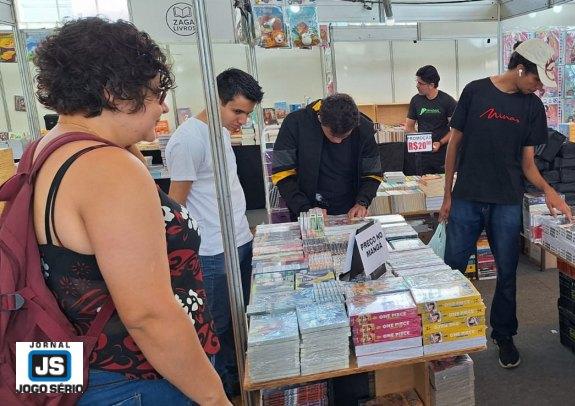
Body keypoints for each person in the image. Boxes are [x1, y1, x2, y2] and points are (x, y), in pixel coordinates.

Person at [30, 18, 227, 404]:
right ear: (115, 92)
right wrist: (215, 398)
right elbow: (148, 315)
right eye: (155, 93)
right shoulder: (107, 168)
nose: (163, 106)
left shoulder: (50, 147)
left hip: (80, 366)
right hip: (137, 378)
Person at [439, 39, 572, 369]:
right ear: (521, 69)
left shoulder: (532, 108)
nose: (539, 87)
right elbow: (454, 145)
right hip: (467, 197)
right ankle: (448, 334)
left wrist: (549, 191)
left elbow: (528, 163)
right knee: (452, 270)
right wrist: (447, 195)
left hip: (507, 201)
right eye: (537, 79)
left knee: (508, 272)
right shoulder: (475, 92)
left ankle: (504, 335)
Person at [165, 68, 263, 398]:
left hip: (239, 240)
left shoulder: (220, 131)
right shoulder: (188, 140)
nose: (242, 121)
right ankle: (221, 391)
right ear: (214, 99)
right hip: (210, 251)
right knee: (216, 325)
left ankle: (239, 379)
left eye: (247, 114)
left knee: (241, 318)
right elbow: (175, 206)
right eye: (237, 112)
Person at [272, 93, 383, 218]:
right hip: (305, 208)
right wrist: (304, 209)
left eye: (344, 136)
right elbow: (282, 174)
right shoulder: (295, 123)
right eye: (333, 135)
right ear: (320, 120)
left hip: (349, 212)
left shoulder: (363, 128)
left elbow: (373, 174)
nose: (338, 141)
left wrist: (362, 202)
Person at [405, 65, 457, 175]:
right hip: (422, 157)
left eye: (420, 83)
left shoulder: (447, 101)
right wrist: (423, 142)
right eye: (417, 82)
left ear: (431, 85)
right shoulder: (415, 100)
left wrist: (440, 142)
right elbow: (409, 127)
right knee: (423, 183)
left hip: (442, 155)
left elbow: (455, 130)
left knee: (441, 183)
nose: (417, 85)